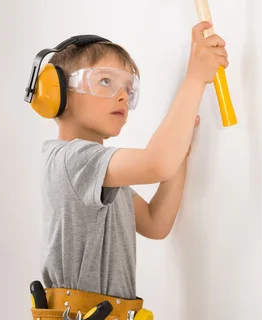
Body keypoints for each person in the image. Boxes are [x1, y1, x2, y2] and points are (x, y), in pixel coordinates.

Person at [39, 21, 229, 302]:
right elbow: (156, 163)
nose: (122, 96)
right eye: (105, 81)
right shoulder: (71, 160)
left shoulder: (104, 175)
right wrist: (195, 78)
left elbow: (156, 222)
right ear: (58, 92)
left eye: (128, 88)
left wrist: (180, 153)